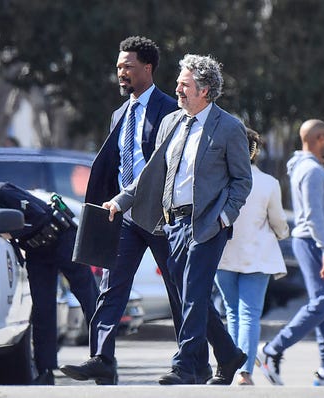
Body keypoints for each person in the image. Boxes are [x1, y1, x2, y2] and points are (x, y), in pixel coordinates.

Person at [103, 54, 252, 385]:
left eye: (184, 85)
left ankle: (183, 365)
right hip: (174, 225)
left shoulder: (229, 127)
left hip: (208, 223)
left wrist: (225, 217)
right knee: (188, 295)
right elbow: (151, 174)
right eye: (179, 84)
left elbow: (243, 181)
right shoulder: (171, 122)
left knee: (195, 292)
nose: (178, 90)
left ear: (205, 90)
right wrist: (120, 200)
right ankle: (228, 356)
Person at [59, 36, 182, 385]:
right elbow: (114, 163)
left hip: (160, 216)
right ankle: (102, 359)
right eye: (118, 67)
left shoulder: (169, 110)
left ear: (148, 67)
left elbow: (163, 166)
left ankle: (192, 361)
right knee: (110, 288)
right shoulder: (119, 113)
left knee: (180, 290)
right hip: (123, 216)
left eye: (127, 66)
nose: (121, 73)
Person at [0, 182, 99, 385]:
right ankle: (46, 371)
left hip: (61, 237)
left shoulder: (1, 192)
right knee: (41, 311)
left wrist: (12, 233)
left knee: (89, 299)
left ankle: (103, 359)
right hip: (37, 251)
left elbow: (38, 215)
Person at [257, 119, 324, 386]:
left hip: (316, 242)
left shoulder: (316, 169)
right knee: (321, 304)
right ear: (318, 138)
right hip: (314, 243)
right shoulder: (310, 171)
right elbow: (312, 215)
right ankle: (272, 350)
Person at [215, 128, 289, 386]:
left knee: (232, 315)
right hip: (258, 257)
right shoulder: (269, 183)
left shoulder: (219, 179)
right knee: (249, 315)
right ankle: (245, 372)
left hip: (222, 256)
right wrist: (282, 233)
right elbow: (279, 223)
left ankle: (230, 369)